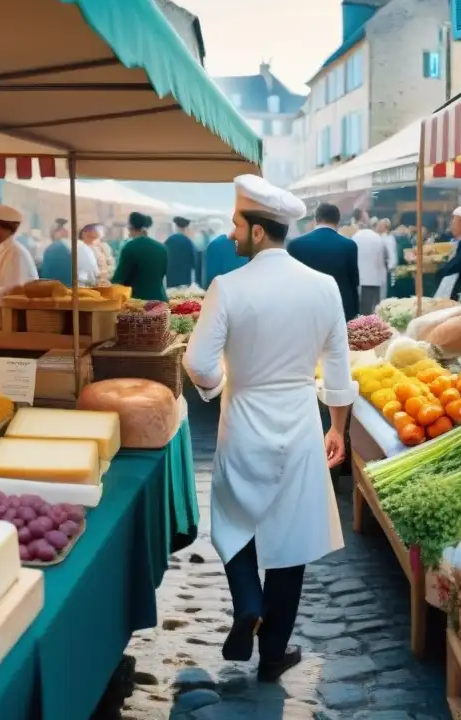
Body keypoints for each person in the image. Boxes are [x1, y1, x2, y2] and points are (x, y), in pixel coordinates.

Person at [183, 174, 354, 682]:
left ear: (258, 232)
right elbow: (340, 370)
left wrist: (217, 388)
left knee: (234, 517)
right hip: (302, 420)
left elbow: (198, 362)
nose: (232, 233)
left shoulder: (227, 287)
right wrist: (338, 428)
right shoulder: (322, 287)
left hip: (244, 418)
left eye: (237, 224)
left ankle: (246, 602)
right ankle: (273, 653)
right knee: (291, 536)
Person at [286, 203, 360, 321]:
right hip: (340, 308)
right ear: (338, 220)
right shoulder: (349, 245)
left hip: (305, 308)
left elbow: (290, 282)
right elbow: (354, 282)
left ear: (316, 219)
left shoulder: (294, 245)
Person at [113, 212, 169, 301]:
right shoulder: (162, 247)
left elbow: (119, 279)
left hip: (138, 303)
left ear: (130, 228)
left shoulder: (130, 247)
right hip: (160, 299)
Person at [39, 218, 99, 287]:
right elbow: (95, 274)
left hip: (65, 291)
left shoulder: (54, 248)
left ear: (62, 231)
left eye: (54, 231)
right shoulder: (84, 246)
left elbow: (47, 277)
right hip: (89, 290)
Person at [352, 221, 390, 315]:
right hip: (376, 278)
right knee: (376, 307)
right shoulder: (378, 238)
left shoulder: (354, 238)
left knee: (363, 308)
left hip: (360, 279)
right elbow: (386, 256)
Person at [202, 218, 246, 289]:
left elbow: (209, 275)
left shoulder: (215, 244)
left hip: (220, 291)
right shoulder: (246, 245)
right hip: (241, 290)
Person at [165, 216, 198, 288]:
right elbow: (195, 263)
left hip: (171, 278)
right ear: (186, 228)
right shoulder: (189, 242)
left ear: (175, 227)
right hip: (185, 279)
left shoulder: (169, 241)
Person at [375, 218, 398, 299]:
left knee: (387, 291)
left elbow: (391, 254)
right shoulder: (379, 237)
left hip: (387, 269)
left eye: (379, 225)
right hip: (380, 268)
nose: (377, 227)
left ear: (384, 226)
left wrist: (390, 267)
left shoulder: (388, 239)